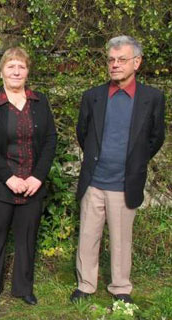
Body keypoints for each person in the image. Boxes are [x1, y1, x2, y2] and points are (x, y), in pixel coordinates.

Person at [71, 35, 165, 304]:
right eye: (111, 60)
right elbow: (84, 132)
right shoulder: (93, 97)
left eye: (121, 59)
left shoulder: (152, 98)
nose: (115, 65)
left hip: (125, 183)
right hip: (94, 181)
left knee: (122, 240)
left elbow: (155, 137)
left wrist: (136, 162)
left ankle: (120, 289)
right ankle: (85, 286)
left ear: (137, 62)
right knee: (88, 236)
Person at [0, 47, 57, 309]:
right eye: (11, 66)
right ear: (1, 72)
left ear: (27, 71)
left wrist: (38, 177)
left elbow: (51, 140)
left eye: (21, 66)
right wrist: (9, 177)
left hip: (32, 185)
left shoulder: (39, 102)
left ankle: (23, 289)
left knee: (26, 239)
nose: (16, 71)